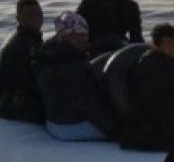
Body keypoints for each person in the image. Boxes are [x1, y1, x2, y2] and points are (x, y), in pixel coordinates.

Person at [121, 23, 174, 154]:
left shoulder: (141, 63)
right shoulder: (171, 67)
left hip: (143, 127)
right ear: (167, 43)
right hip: (168, 129)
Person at [31, 11, 116, 141]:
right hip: (71, 127)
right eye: (81, 35)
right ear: (68, 35)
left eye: (86, 34)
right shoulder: (69, 64)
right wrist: (118, 131)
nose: (86, 39)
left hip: (54, 121)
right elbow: (89, 105)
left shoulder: (49, 54)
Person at [0, 0, 46, 123]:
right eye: (29, 16)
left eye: (39, 14)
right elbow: (31, 82)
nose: (36, 19)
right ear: (18, 19)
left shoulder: (30, 38)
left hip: (15, 95)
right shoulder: (21, 46)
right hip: (11, 104)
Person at [75, 0, 143, 56]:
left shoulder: (131, 6)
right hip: (92, 48)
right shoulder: (89, 4)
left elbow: (136, 37)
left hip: (118, 49)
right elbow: (75, 29)